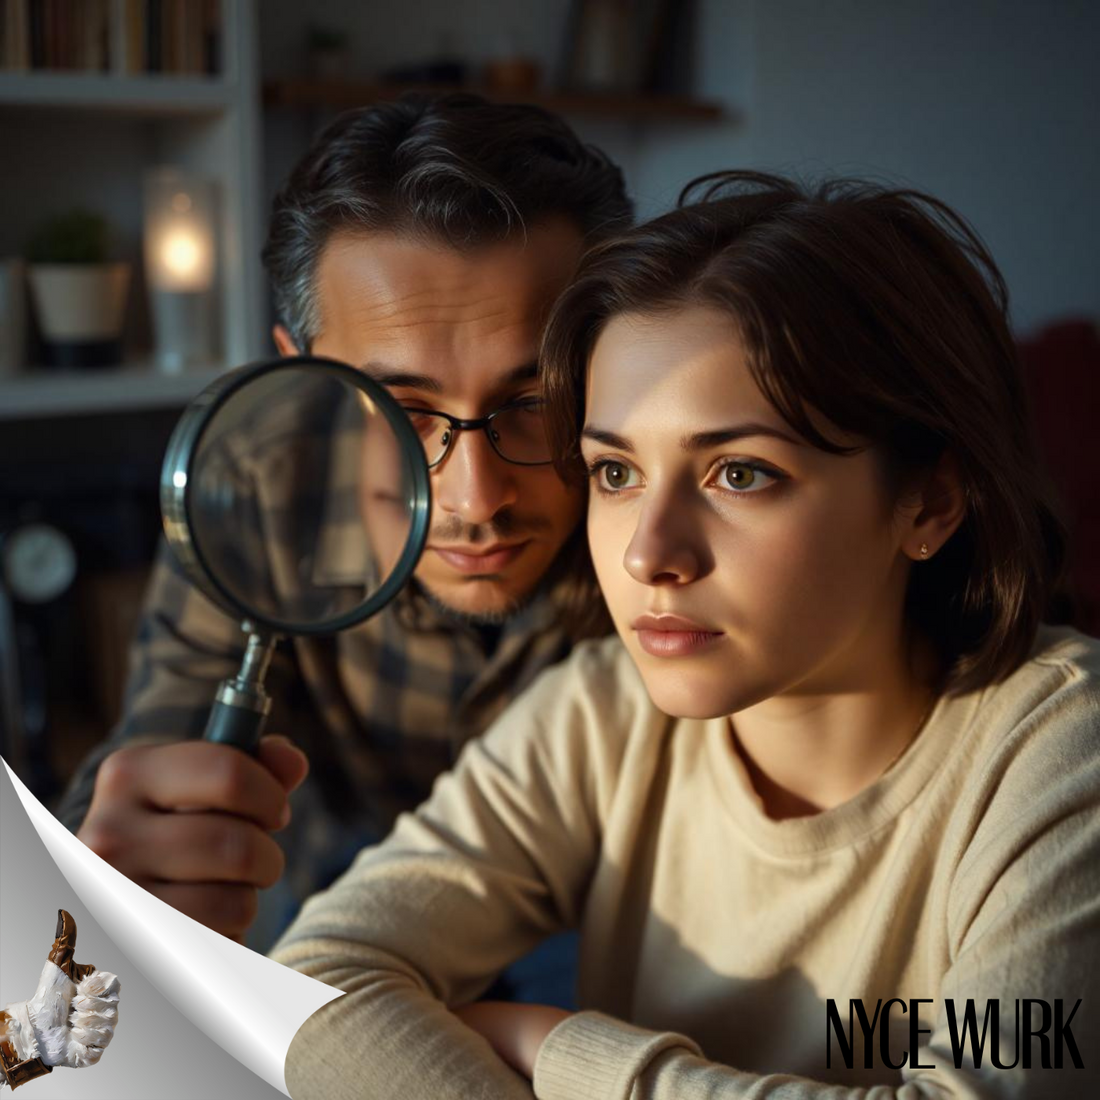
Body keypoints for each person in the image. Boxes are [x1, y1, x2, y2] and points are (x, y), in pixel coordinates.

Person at [270, 172, 1099, 1098]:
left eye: (739, 474)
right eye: (617, 473)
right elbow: (314, 979)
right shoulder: (597, 714)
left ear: (930, 501)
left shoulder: (1061, 753)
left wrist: (563, 1054)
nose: (648, 557)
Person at [55, 93, 630, 951]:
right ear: (305, 375)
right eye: (403, 408)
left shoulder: (660, 502)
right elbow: (167, 724)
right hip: (332, 901)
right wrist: (123, 854)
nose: (474, 501)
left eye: (535, 399)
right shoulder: (253, 481)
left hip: (605, 920)